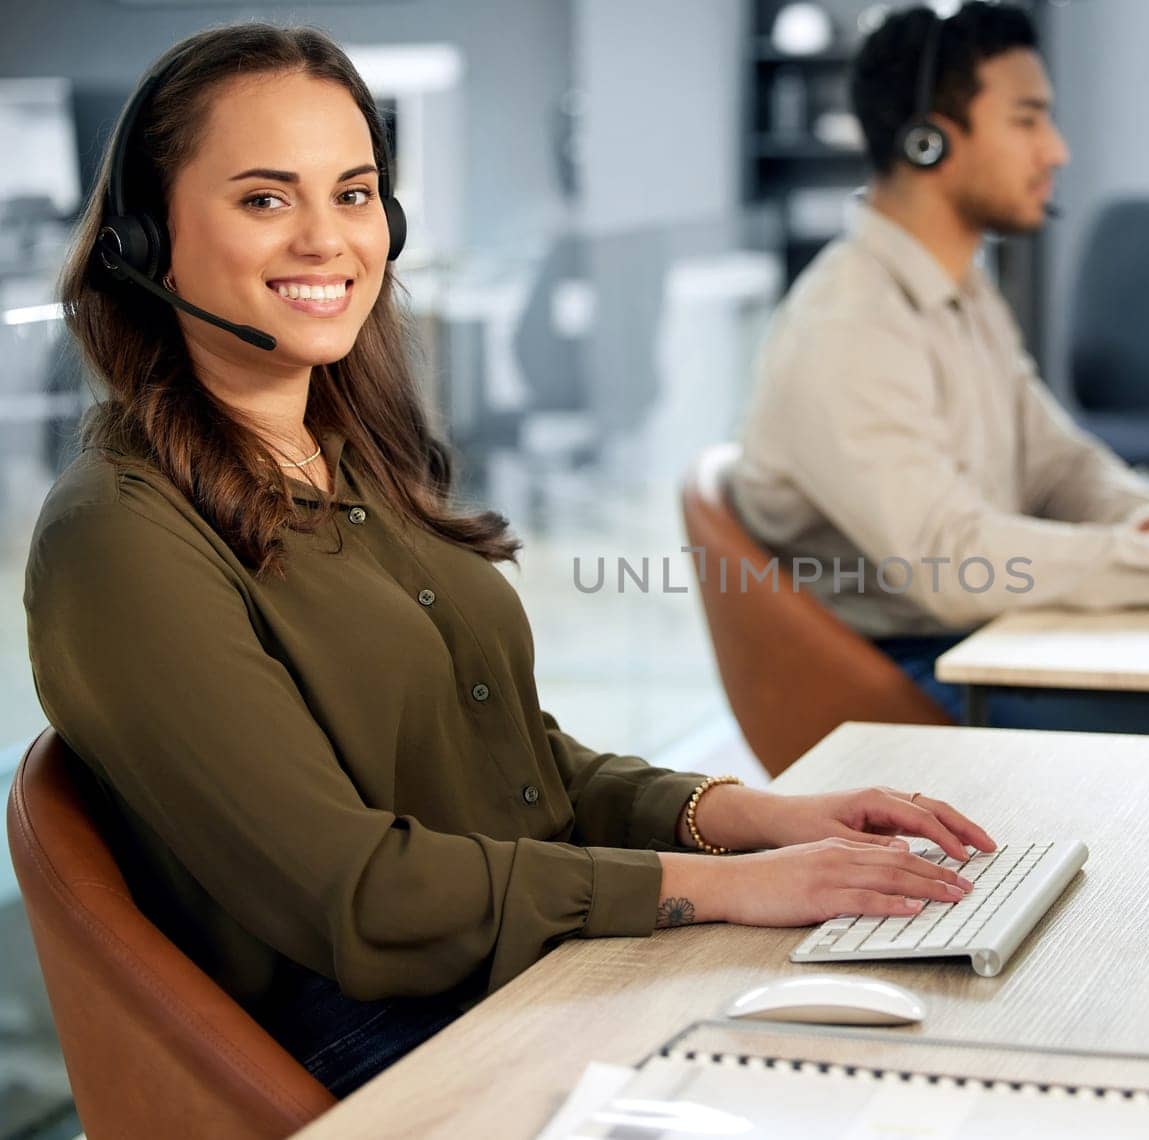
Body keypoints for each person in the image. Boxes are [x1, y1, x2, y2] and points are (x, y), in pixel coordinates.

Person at [25, 23, 993, 1098]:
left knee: (947, 1033)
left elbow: (516, 766)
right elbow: (359, 893)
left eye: (352, 195)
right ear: (144, 240)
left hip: (509, 972)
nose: (325, 240)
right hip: (381, 1045)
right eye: (265, 198)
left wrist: (756, 820)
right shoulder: (117, 540)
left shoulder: (342, 462)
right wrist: (721, 889)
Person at [729, 4, 1149, 731]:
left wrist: (1145, 518)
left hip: (975, 635)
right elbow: (955, 559)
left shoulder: (966, 293)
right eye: (1028, 121)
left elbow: (1054, 461)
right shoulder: (848, 325)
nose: (1056, 151)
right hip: (904, 673)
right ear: (929, 143)